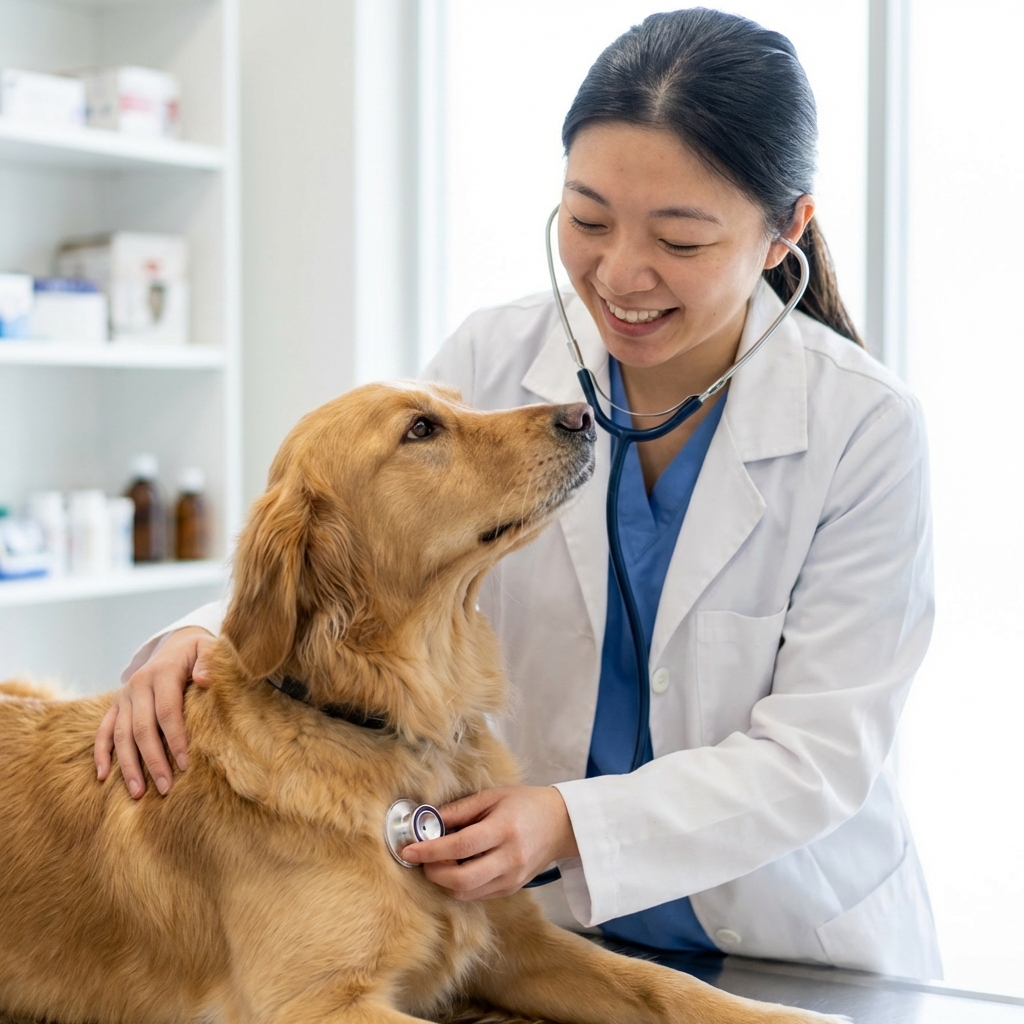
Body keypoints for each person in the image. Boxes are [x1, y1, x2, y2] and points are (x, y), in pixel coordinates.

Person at [95, 8, 941, 979]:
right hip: (541, 936)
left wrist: (569, 819)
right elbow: (371, 547)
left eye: (680, 238)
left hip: (787, 935)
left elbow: (819, 752)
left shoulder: (864, 427)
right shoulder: (491, 364)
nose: (619, 274)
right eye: (586, 219)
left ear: (783, 228)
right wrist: (205, 634)